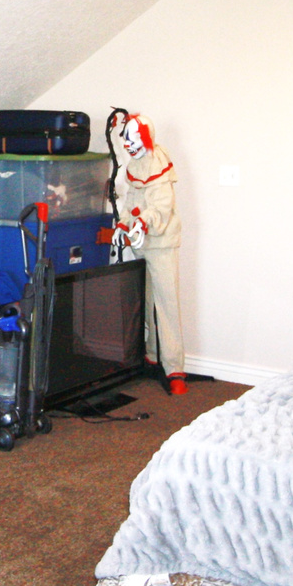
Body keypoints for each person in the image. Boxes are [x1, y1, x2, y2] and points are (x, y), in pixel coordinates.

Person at [109, 111, 186, 394]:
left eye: (133, 138)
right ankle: (152, 356)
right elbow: (130, 201)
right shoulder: (134, 167)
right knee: (145, 299)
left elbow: (161, 206)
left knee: (166, 303)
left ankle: (174, 366)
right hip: (141, 243)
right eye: (125, 139)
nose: (128, 144)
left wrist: (144, 221)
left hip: (162, 243)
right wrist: (124, 223)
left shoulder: (158, 164)